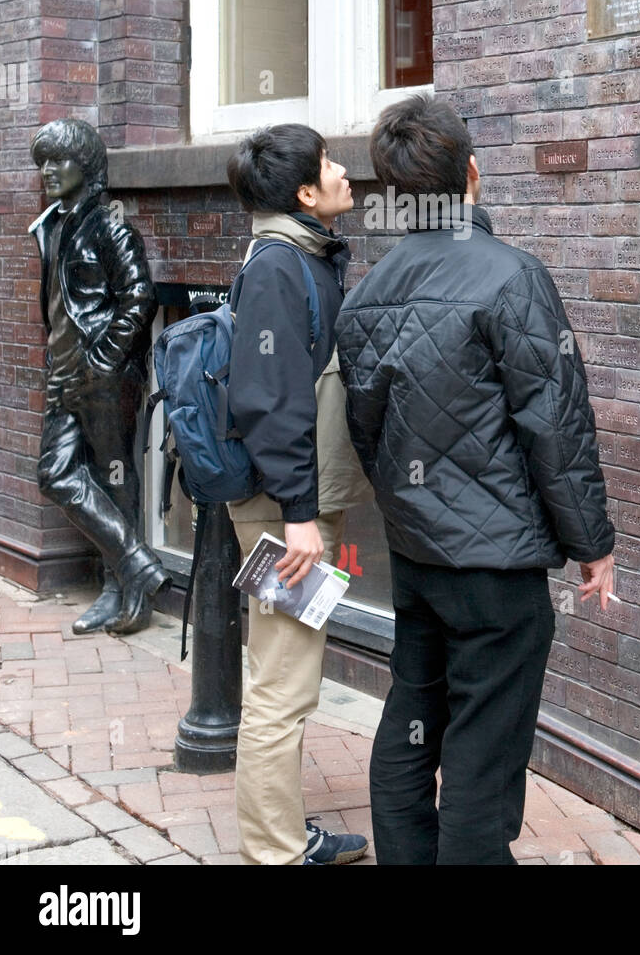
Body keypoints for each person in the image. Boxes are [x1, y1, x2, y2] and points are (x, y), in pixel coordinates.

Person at [335, 95, 616, 866]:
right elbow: (554, 426)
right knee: (482, 752)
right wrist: (591, 543)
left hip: (419, 559)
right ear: (471, 174)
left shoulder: (365, 296)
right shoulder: (513, 277)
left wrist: (409, 509)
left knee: (411, 715)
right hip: (495, 570)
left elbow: (368, 433)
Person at [226, 124, 373, 867]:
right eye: (328, 163)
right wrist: (300, 516)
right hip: (285, 509)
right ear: (305, 194)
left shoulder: (298, 254)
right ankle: (275, 854)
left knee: (285, 674)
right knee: (282, 684)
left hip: (295, 502)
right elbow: (267, 398)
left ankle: (282, 836)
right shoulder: (281, 265)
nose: (345, 170)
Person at [30, 118, 168, 636]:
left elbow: (140, 298)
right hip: (62, 374)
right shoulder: (51, 226)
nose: (47, 171)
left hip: (100, 374)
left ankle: (120, 590)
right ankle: (137, 564)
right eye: (41, 162)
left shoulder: (110, 226)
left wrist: (103, 360)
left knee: (114, 475)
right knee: (57, 474)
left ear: (86, 167)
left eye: (57, 161)